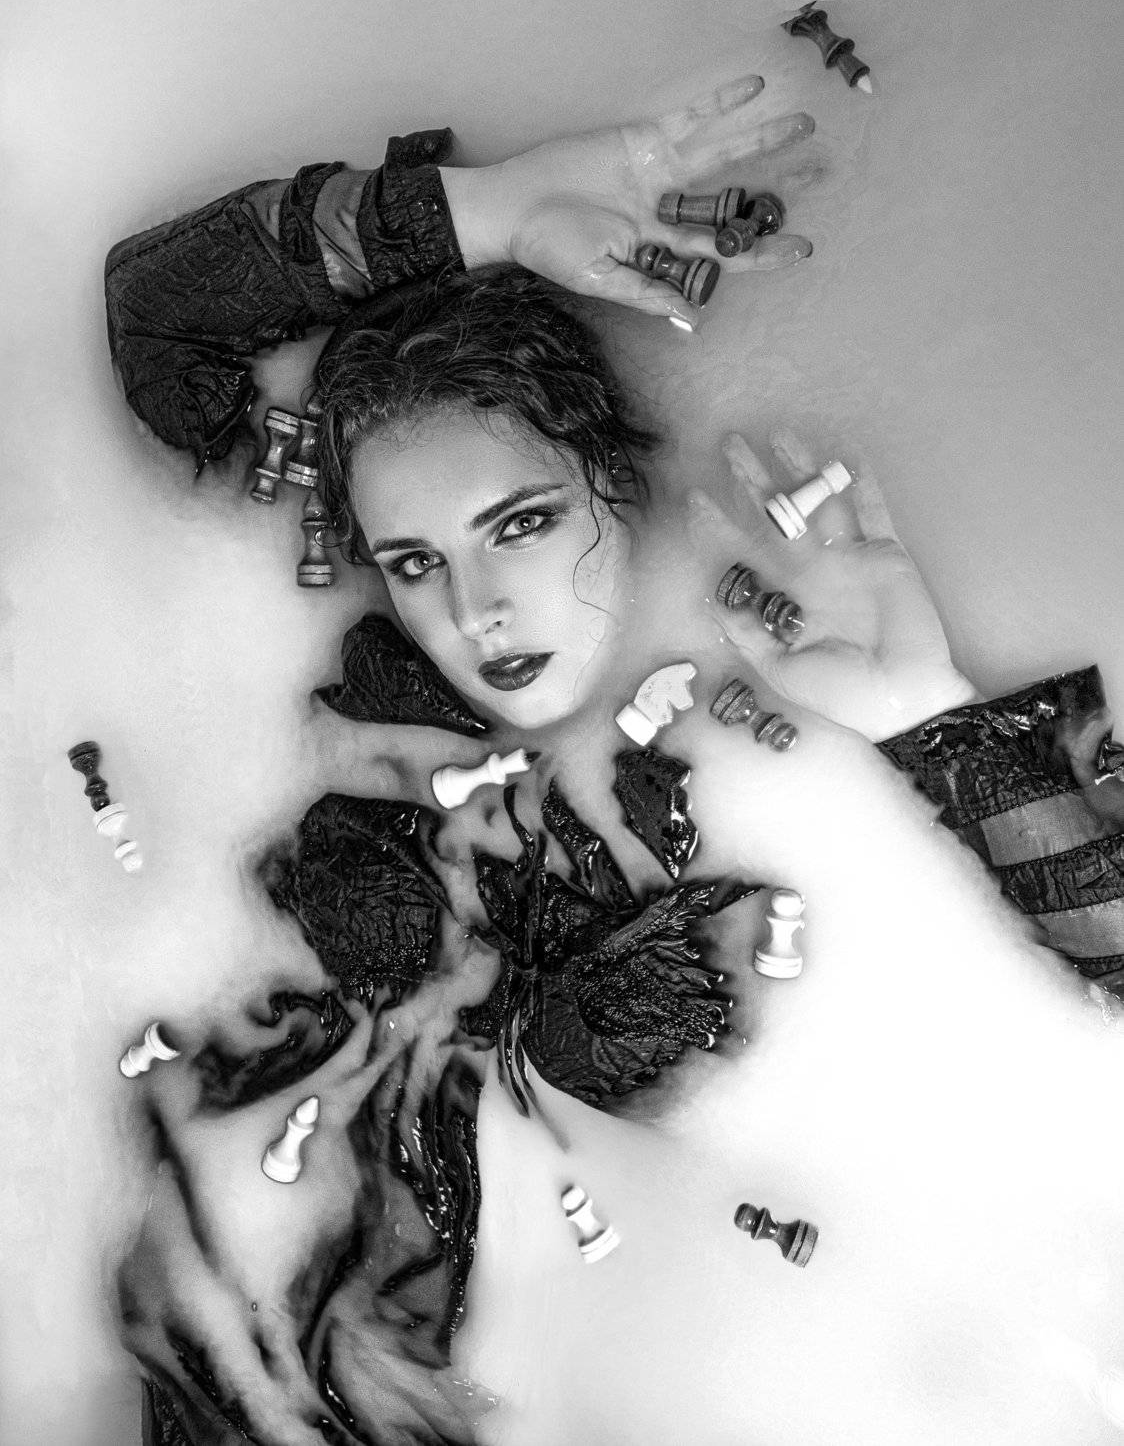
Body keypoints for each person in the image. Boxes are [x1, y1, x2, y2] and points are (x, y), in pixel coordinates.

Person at [106, 93, 1124, 1445]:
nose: (475, 610)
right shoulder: (335, 719)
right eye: (414, 560)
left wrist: (922, 710)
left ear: (611, 481)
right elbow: (159, 316)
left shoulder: (739, 765)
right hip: (278, 1344)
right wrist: (484, 213)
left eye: (521, 524)